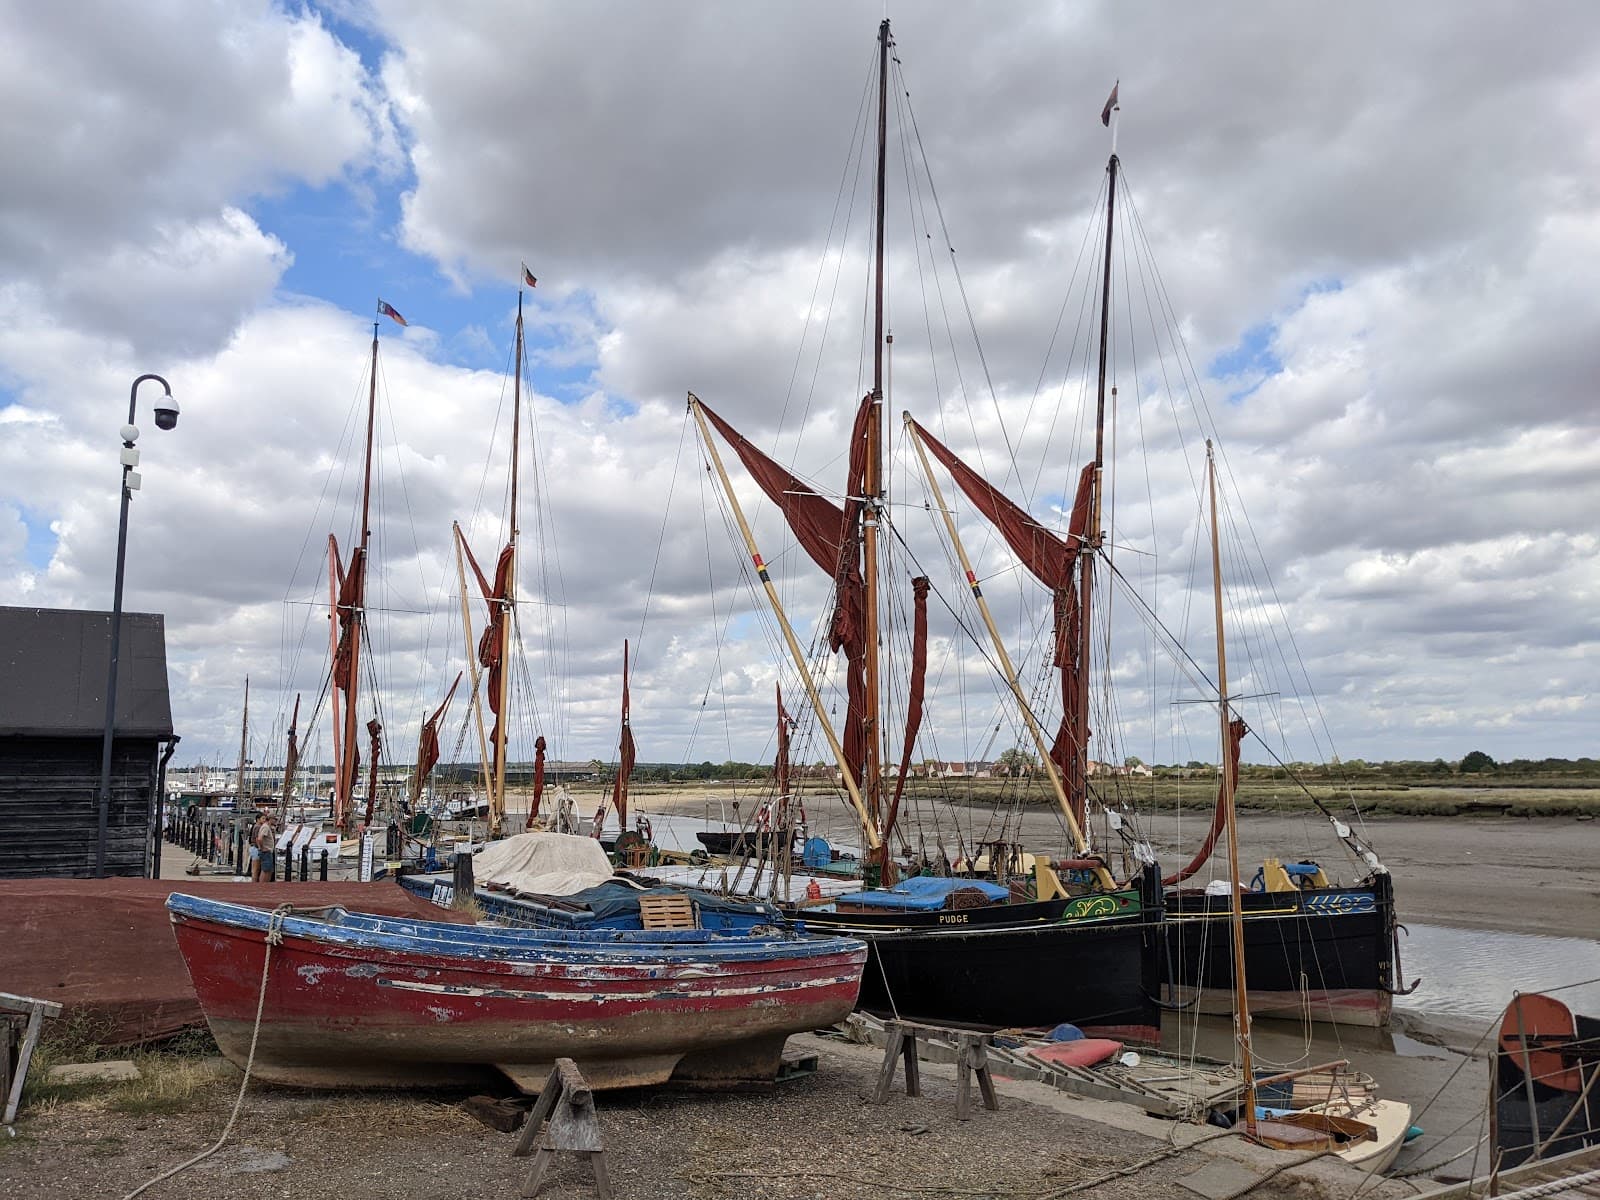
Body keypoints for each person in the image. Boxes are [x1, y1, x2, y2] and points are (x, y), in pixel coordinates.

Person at [254, 815, 277, 883]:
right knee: (266, 870)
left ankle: (265, 884)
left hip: (267, 851)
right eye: (274, 819)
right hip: (266, 851)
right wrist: (262, 848)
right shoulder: (266, 827)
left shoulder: (266, 827)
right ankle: (262, 885)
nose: (276, 821)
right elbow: (260, 838)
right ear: (270, 819)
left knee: (268, 870)